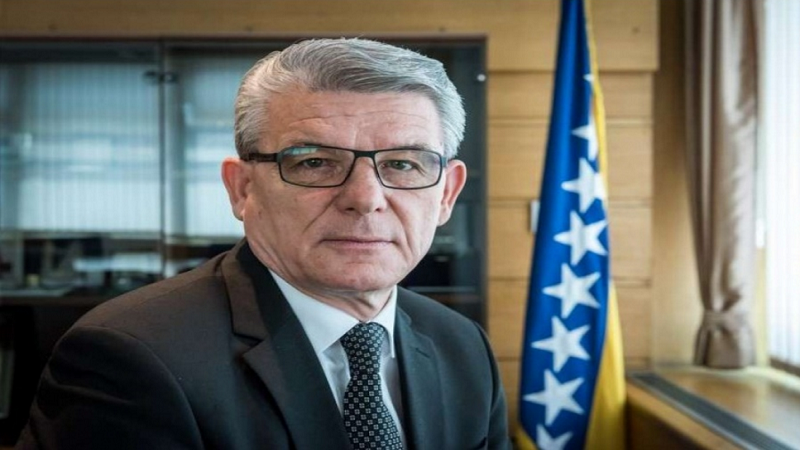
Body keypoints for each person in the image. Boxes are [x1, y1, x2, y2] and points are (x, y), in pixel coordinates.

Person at [17, 38, 510, 450]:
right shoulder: (131, 357)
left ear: (446, 194)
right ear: (243, 189)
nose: (365, 199)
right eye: (314, 162)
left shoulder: (462, 345)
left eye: (403, 164)